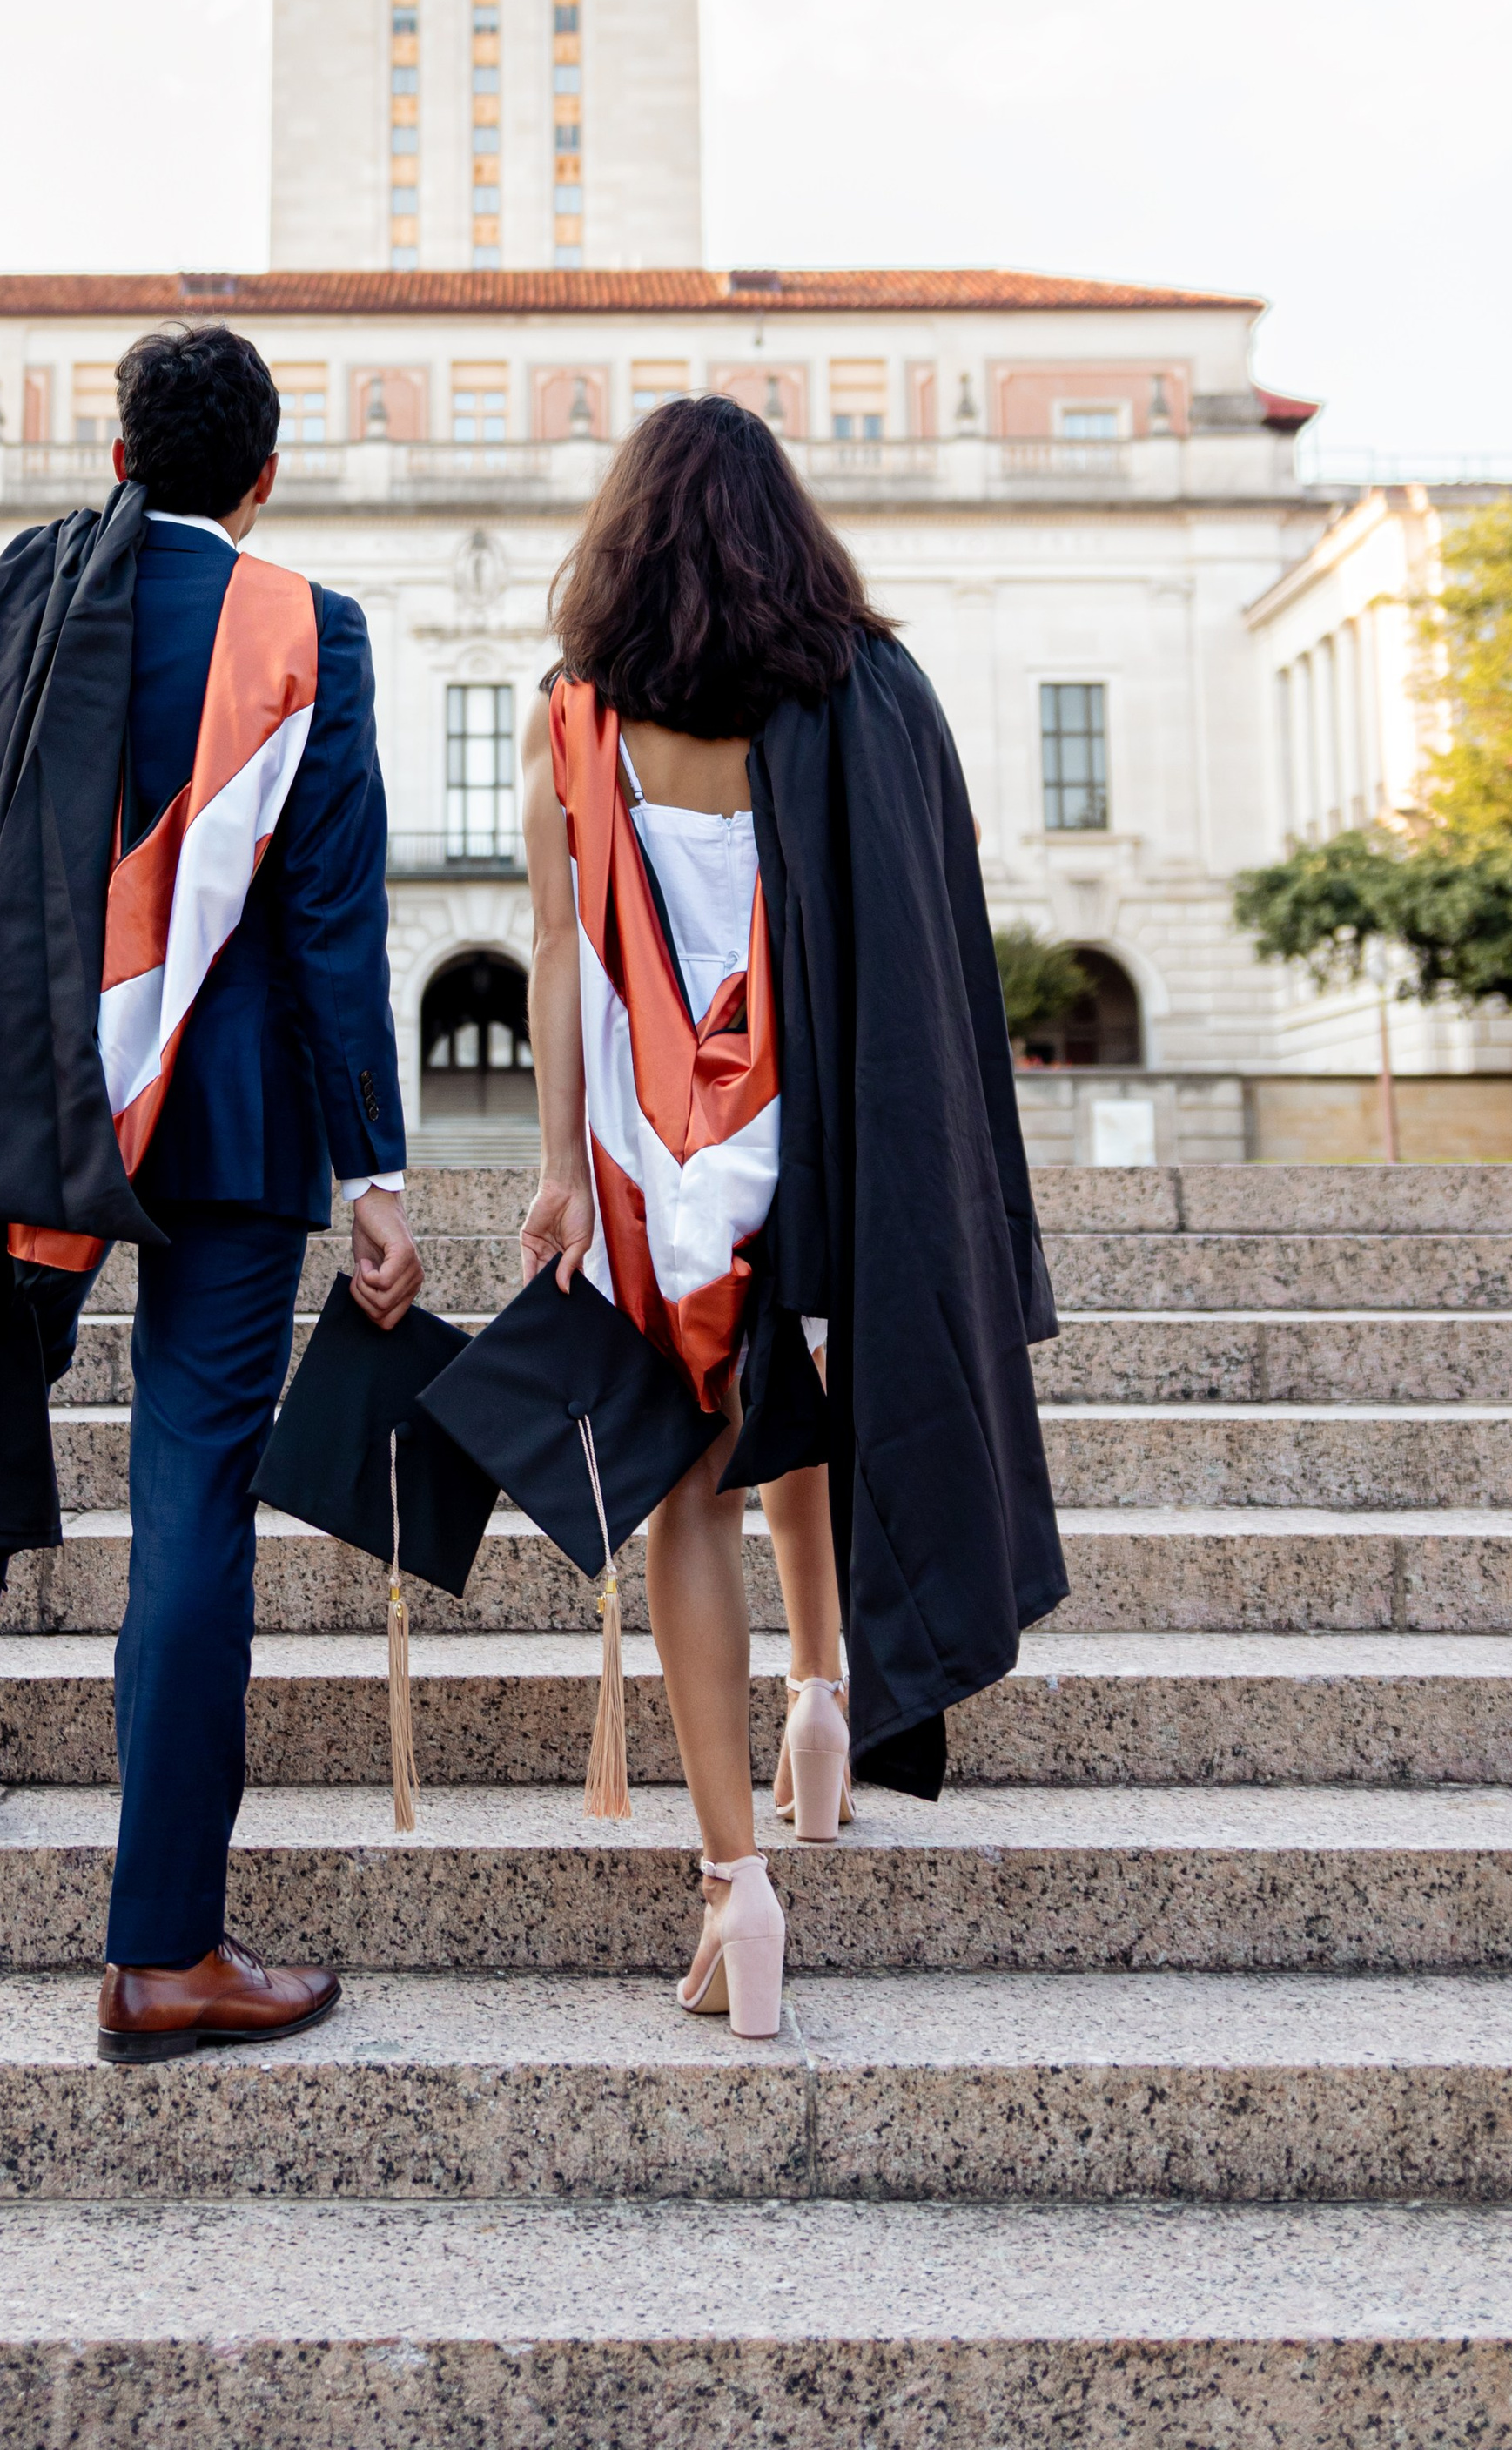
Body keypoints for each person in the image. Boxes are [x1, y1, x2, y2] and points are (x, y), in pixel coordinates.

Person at [0, 324, 421, 2066]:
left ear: (121, 459)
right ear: (262, 479)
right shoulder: (303, 630)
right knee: (193, 1500)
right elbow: (336, 926)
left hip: (17, 1101)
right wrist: (375, 1168)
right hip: (234, 1128)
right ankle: (161, 1948)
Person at [519, 394, 1065, 2040]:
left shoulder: (574, 718)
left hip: (645, 1144)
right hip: (805, 1120)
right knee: (802, 1402)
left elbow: (558, 957)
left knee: (686, 1483)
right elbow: (920, 912)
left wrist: (556, 1169)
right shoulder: (860, 695)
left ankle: (733, 1885)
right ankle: (822, 1698)